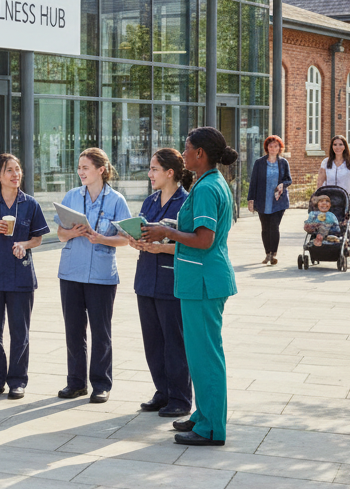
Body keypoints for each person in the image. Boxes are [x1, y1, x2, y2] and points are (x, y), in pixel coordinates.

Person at [141, 126, 239, 447]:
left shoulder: (209, 188)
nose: (183, 154)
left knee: (206, 357)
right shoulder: (206, 183)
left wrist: (163, 232)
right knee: (198, 356)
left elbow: (204, 238)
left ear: (200, 154)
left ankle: (211, 428)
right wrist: (167, 228)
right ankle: (203, 415)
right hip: (198, 280)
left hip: (204, 282)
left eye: (186, 148)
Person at [54, 147, 131, 404]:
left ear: (101, 170)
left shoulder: (117, 200)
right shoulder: (72, 196)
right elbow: (60, 233)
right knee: (73, 331)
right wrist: (71, 232)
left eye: (85, 168)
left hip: (101, 275)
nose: (81, 172)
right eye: (79, 168)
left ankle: (101, 384)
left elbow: (126, 239)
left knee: (101, 331)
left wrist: (102, 238)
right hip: (71, 272)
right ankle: (75, 383)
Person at [0, 153, 48, 400]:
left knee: (20, 332)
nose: (16, 175)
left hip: (20, 276)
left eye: (18, 170)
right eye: (9, 171)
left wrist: (24, 244)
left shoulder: (30, 204)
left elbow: (38, 238)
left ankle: (17, 381)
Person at [125, 148, 193, 419]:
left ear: (170, 172)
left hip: (170, 280)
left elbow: (189, 243)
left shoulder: (186, 203)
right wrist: (135, 241)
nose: (150, 174)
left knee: (174, 341)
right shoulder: (150, 201)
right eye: (150, 169)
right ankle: (162, 391)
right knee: (152, 342)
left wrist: (160, 249)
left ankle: (180, 397)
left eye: (154, 169)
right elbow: (144, 233)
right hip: (145, 279)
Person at [247, 134, 292, 265]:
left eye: (276, 146)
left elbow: (289, 179)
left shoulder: (283, 163)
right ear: (267, 147)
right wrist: (251, 200)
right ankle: (267, 253)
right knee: (265, 228)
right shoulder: (259, 163)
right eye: (270, 146)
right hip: (262, 200)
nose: (273, 148)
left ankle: (273, 253)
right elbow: (253, 182)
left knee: (274, 226)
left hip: (278, 201)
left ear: (279, 148)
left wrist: (283, 184)